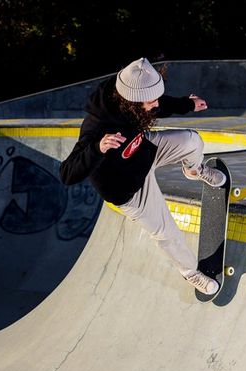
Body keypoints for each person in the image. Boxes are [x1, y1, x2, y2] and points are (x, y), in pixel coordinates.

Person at [59, 57, 227, 295]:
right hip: (128, 189)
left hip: (143, 152)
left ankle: (194, 170)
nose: (154, 106)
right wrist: (98, 149)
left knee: (192, 140)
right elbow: (66, 174)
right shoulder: (97, 127)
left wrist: (186, 104)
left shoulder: (134, 94)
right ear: (132, 103)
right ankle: (190, 273)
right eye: (150, 102)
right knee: (166, 232)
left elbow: (159, 104)